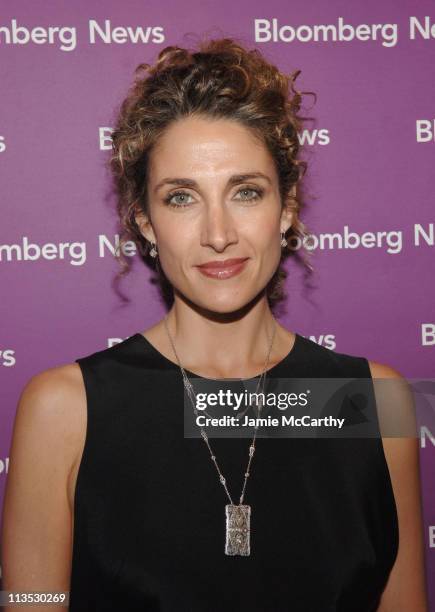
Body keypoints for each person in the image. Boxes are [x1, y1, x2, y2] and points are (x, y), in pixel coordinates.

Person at [1, 36, 428, 612]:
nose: (218, 232)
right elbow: (31, 599)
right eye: (181, 198)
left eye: (246, 191)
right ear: (144, 222)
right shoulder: (65, 408)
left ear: (289, 206)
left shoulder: (371, 401)